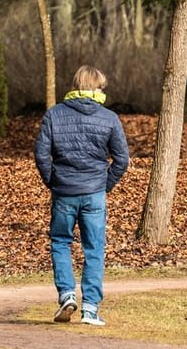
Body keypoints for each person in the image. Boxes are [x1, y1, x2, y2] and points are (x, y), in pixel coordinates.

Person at [34, 65, 130, 326]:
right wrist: (104, 184)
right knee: (94, 249)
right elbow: (122, 159)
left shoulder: (54, 115)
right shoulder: (109, 118)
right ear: (96, 87)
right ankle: (90, 308)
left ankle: (66, 294)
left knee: (61, 242)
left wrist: (52, 181)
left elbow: (42, 154)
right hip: (94, 193)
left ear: (76, 85)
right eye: (101, 86)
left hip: (64, 191)